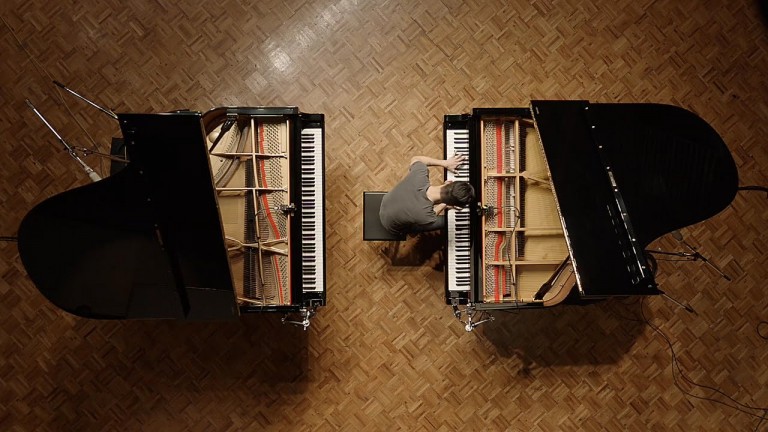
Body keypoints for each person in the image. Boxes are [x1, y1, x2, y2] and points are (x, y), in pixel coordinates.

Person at [379, 155, 475, 236]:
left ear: (449, 182)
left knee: (423, 219)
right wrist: (444, 205)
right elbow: (431, 215)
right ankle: (411, 232)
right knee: (444, 223)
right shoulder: (427, 217)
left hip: (386, 200)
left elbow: (416, 158)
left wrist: (445, 163)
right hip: (391, 226)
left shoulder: (420, 174)